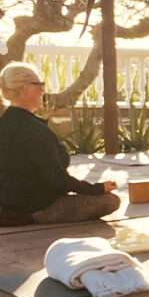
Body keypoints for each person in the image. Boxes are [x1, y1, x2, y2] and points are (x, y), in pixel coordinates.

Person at [0, 62, 120, 227]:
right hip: (38, 206)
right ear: (24, 89)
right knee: (111, 201)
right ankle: (28, 218)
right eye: (39, 84)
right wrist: (97, 189)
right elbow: (58, 180)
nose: (43, 90)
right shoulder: (34, 130)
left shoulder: (5, 123)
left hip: (8, 201)